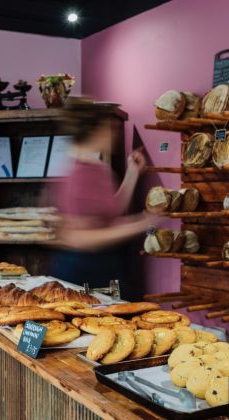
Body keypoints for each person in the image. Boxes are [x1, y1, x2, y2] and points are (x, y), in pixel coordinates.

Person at [50, 97, 157, 290]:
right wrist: (143, 223)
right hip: (83, 270)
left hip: (103, 265)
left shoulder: (97, 168)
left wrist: (132, 173)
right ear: (95, 131)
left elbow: (111, 211)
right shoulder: (79, 175)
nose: (113, 134)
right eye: (108, 129)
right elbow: (81, 238)